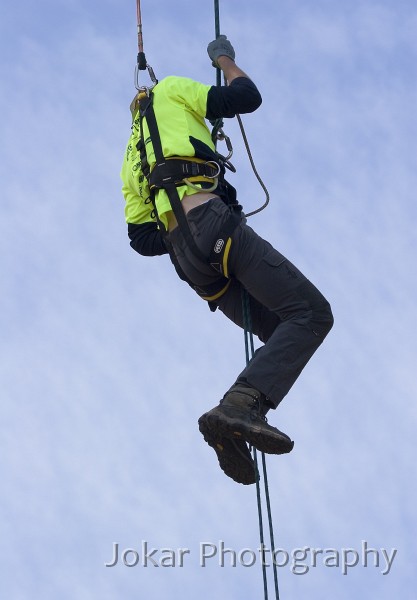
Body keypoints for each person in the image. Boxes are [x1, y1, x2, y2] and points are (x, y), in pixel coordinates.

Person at [121, 36, 334, 485]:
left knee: (284, 330)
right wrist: (223, 58)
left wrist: (182, 235)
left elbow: (140, 238)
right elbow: (245, 98)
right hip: (213, 227)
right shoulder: (173, 89)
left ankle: (235, 420)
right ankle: (238, 406)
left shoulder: (131, 158)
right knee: (312, 315)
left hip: (192, 266)